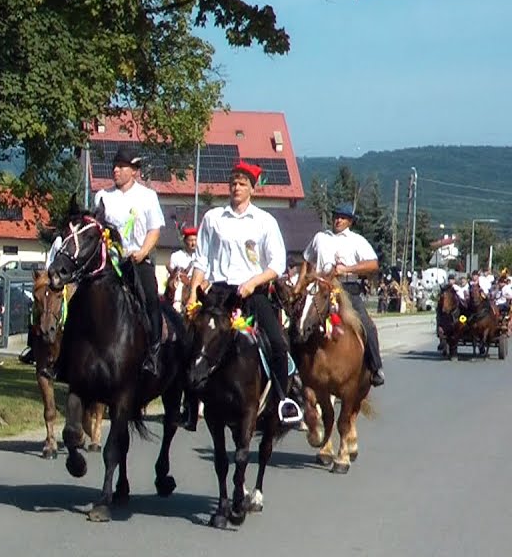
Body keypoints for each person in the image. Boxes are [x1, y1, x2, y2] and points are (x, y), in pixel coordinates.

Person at [188, 160, 304, 427]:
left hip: (252, 293)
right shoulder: (213, 218)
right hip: (219, 293)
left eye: (242, 183)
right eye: (233, 182)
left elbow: (276, 264)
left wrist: (253, 282)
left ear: (253, 188)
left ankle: (281, 400)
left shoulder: (264, 221)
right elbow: (201, 259)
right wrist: (194, 292)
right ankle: (190, 402)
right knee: (193, 340)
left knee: (277, 344)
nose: (236, 187)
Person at [94, 144, 165, 376]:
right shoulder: (103, 196)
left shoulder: (148, 196)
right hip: (109, 262)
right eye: (114, 166)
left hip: (136, 260)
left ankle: (154, 352)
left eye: (122, 166)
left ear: (134, 171)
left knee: (150, 299)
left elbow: (154, 229)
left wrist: (143, 251)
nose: (115, 170)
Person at [301, 204, 386, 386]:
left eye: (343, 217)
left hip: (347, 288)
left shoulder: (357, 241)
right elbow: (307, 259)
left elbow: (373, 264)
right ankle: (295, 368)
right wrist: (301, 284)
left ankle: (375, 367)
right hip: (321, 287)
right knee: (301, 320)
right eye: (336, 216)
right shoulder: (320, 237)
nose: (338, 220)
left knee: (366, 325)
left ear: (350, 221)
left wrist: (347, 269)